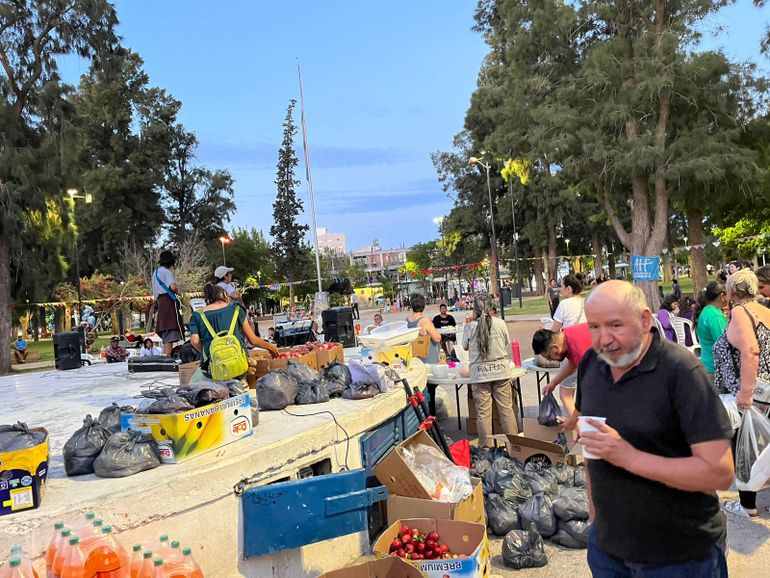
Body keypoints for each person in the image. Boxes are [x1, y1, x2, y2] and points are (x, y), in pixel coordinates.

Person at [571, 280, 733, 575]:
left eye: (615, 325)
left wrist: (630, 457)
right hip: (608, 551)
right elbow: (591, 442)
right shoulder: (592, 363)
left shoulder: (682, 372)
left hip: (680, 556)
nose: (603, 338)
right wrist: (595, 518)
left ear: (645, 320)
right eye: (594, 327)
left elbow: (720, 472)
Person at [713, 269, 770, 518]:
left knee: (745, 447)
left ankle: (747, 505)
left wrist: (745, 394)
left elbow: (750, 351)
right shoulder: (765, 311)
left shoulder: (740, 312)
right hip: (766, 389)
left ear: (732, 291)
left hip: (750, 391)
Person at [462, 293, 518, 447]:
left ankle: (486, 449)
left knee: (483, 414)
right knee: (506, 410)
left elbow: (465, 347)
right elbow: (506, 342)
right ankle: (514, 447)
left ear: (475, 310)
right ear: (491, 308)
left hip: (480, 375)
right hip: (500, 371)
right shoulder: (500, 323)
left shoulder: (470, 327)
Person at [189, 283, 279, 377]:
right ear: (224, 294)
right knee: (240, 387)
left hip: (214, 367)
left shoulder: (197, 315)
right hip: (238, 364)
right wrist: (270, 347)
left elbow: (195, 341)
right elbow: (253, 339)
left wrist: (207, 352)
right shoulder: (236, 308)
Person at [531, 323, 591, 416]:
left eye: (549, 357)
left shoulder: (579, 351)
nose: (551, 360)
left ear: (555, 348)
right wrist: (553, 383)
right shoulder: (568, 334)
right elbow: (572, 364)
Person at [152, 250, 183, 356]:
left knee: (165, 330)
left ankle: (167, 355)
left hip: (160, 302)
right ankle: (169, 355)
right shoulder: (166, 272)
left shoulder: (155, 273)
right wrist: (180, 293)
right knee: (170, 328)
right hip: (168, 301)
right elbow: (173, 287)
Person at [694, 282, 728, 375]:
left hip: (708, 364)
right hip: (716, 368)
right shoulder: (715, 316)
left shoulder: (707, 311)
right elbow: (724, 343)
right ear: (722, 296)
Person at [406, 293, 442, 364]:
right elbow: (437, 338)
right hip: (428, 359)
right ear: (423, 305)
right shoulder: (424, 321)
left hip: (414, 359)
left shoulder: (407, 320)